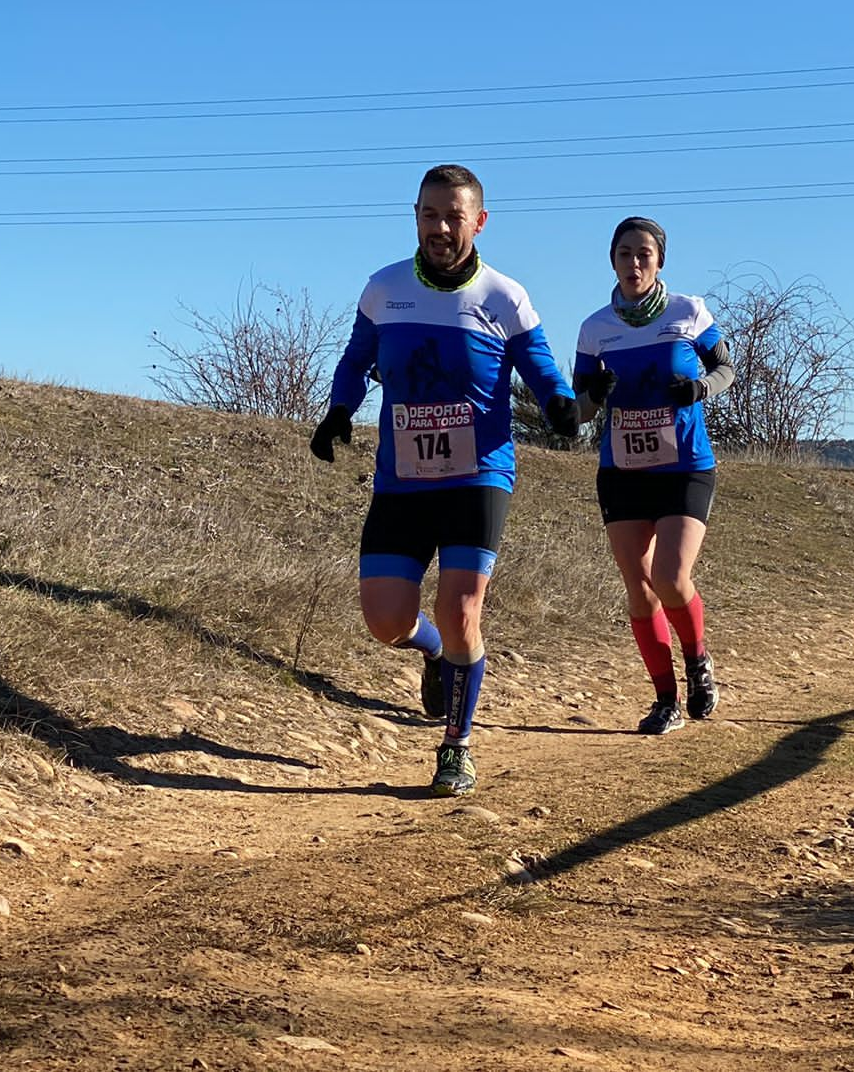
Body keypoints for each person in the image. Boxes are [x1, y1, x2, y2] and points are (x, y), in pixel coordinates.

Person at [310, 164, 578, 797]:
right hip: (402, 480)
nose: (440, 227)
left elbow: (540, 368)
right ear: (416, 217)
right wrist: (338, 412)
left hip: (478, 476)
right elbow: (356, 359)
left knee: (460, 612)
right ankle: (433, 654)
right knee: (385, 621)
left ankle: (456, 746)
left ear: (478, 222)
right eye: (429, 214)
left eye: (453, 216)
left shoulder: (503, 297)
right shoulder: (384, 289)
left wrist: (562, 404)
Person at [573, 217, 734, 735]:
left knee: (670, 577)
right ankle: (665, 699)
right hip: (622, 471)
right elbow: (578, 409)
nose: (634, 262)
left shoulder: (690, 312)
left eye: (644, 253)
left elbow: (726, 369)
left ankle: (698, 660)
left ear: (659, 260)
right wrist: (593, 394)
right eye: (625, 253)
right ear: (613, 260)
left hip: (685, 465)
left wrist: (701, 388)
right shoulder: (595, 328)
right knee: (639, 591)